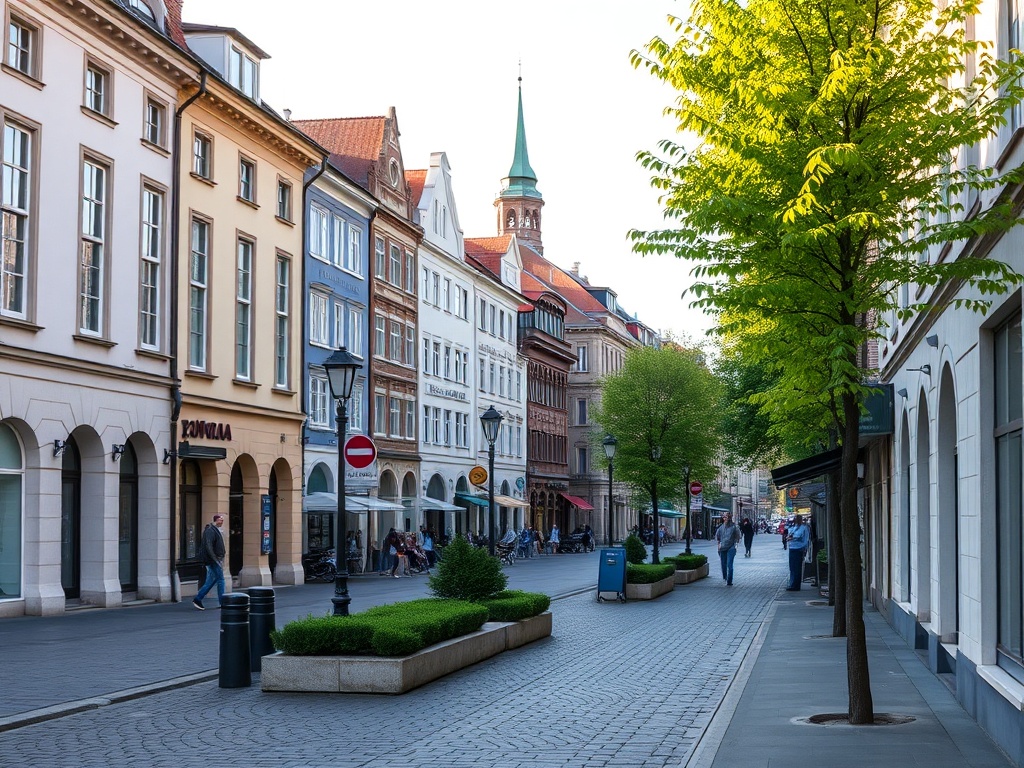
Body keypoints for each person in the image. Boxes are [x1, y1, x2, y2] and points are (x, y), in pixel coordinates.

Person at [193, 514, 226, 610]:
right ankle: (222, 602)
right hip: (213, 560)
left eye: (222, 520)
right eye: (220, 520)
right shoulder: (210, 530)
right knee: (221, 580)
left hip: (213, 559)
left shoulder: (214, 530)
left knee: (212, 580)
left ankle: (198, 598)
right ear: (215, 520)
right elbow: (208, 546)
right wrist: (215, 560)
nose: (222, 522)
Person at [714, 512, 741, 586]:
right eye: (724, 517)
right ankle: (725, 577)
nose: (725, 518)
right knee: (723, 564)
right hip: (722, 548)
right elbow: (717, 537)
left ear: (729, 518)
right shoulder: (720, 527)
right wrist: (719, 545)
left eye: (726, 517)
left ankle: (729, 580)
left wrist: (736, 545)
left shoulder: (734, 527)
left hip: (731, 547)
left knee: (729, 564)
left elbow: (738, 536)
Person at [786, 514, 810, 591]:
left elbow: (805, 540)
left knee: (797, 568)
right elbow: (790, 535)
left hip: (798, 549)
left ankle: (796, 585)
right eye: (795, 519)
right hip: (792, 548)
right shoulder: (794, 527)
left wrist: (804, 549)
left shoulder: (804, 528)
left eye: (797, 519)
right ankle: (792, 583)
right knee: (792, 568)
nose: (796, 520)